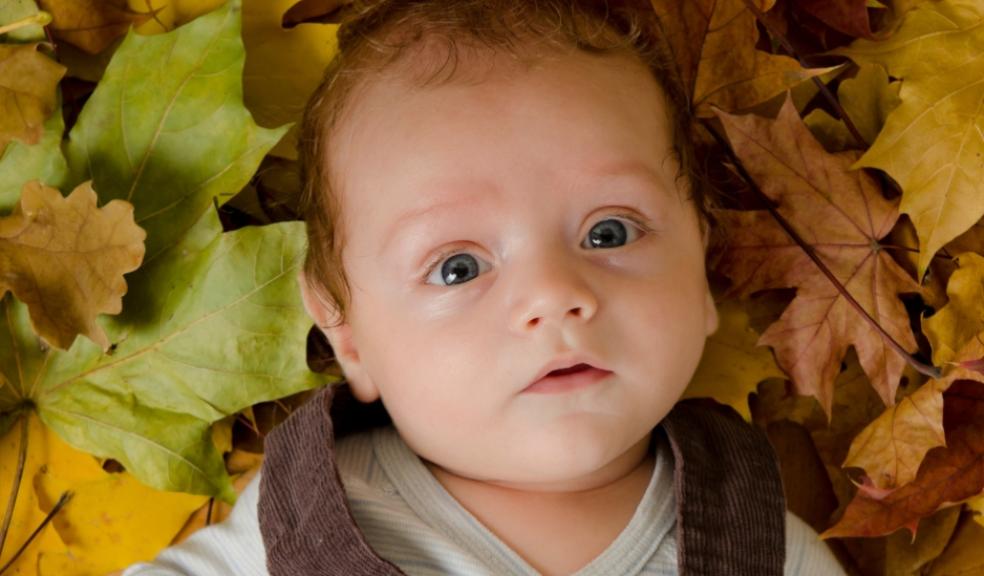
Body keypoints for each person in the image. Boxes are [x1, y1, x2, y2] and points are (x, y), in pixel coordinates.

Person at [123, 0, 847, 574]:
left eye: (610, 233)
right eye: (458, 267)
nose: (554, 294)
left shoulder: (765, 549)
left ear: (701, 266)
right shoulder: (303, 524)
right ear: (346, 330)